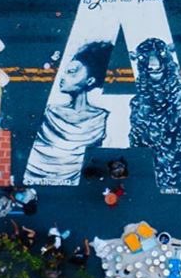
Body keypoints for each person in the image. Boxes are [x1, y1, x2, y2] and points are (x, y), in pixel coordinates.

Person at [24, 41, 115, 184]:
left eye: (72, 72)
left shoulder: (100, 118)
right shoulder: (50, 113)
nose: (63, 77)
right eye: (64, 72)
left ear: (90, 80)